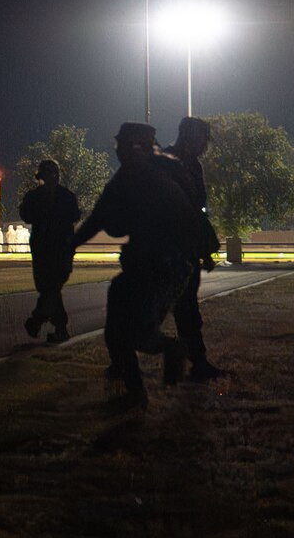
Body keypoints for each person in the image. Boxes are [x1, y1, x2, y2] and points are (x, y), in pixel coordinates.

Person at [72, 122, 211, 409]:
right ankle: (134, 392)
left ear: (138, 146)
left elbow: (191, 213)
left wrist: (69, 245)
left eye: (123, 144)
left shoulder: (157, 170)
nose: (119, 150)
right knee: (115, 330)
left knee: (136, 331)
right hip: (148, 261)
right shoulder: (143, 171)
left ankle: (174, 351)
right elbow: (101, 216)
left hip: (166, 264)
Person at [160, 116, 225, 379]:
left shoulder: (194, 167)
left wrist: (203, 249)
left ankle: (198, 363)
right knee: (152, 309)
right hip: (164, 248)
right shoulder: (163, 162)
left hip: (185, 248)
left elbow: (197, 210)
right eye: (204, 140)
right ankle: (121, 363)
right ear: (191, 137)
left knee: (187, 309)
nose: (206, 147)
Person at [17, 159, 80, 343]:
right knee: (48, 288)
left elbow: (73, 215)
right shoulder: (38, 196)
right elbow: (26, 215)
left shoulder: (65, 196)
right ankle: (58, 328)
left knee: (51, 288)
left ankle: (38, 320)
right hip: (44, 249)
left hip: (58, 249)